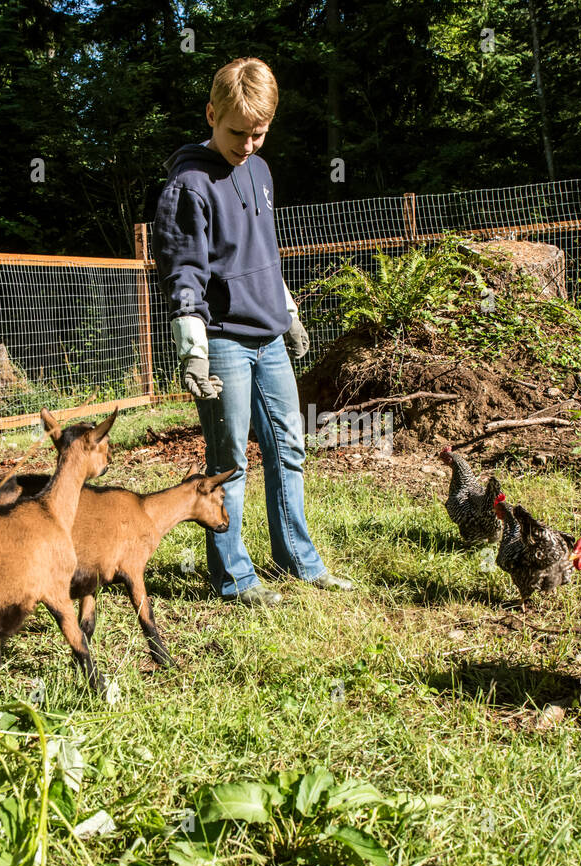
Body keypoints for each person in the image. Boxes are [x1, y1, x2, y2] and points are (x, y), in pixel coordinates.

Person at [153, 57, 352, 605]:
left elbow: (263, 252)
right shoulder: (188, 185)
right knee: (229, 462)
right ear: (212, 114)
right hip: (221, 339)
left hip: (267, 336)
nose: (246, 144)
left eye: (258, 133)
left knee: (289, 447)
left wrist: (285, 309)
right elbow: (182, 270)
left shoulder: (260, 171)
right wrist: (192, 347)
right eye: (236, 132)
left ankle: (299, 562)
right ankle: (234, 578)